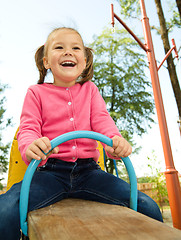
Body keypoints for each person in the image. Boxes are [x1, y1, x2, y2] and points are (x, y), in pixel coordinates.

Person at [0, 27, 163, 240]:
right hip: (49, 172)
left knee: (147, 206)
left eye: (75, 48)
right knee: (5, 210)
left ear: (84, 61)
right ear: (46, 61)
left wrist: (115, 141)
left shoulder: (90, 90)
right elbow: (29, 127)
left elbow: (103, 120)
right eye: (59, 47)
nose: (68, 52)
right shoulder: (36, 92)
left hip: (89, 173)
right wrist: (31, 145)